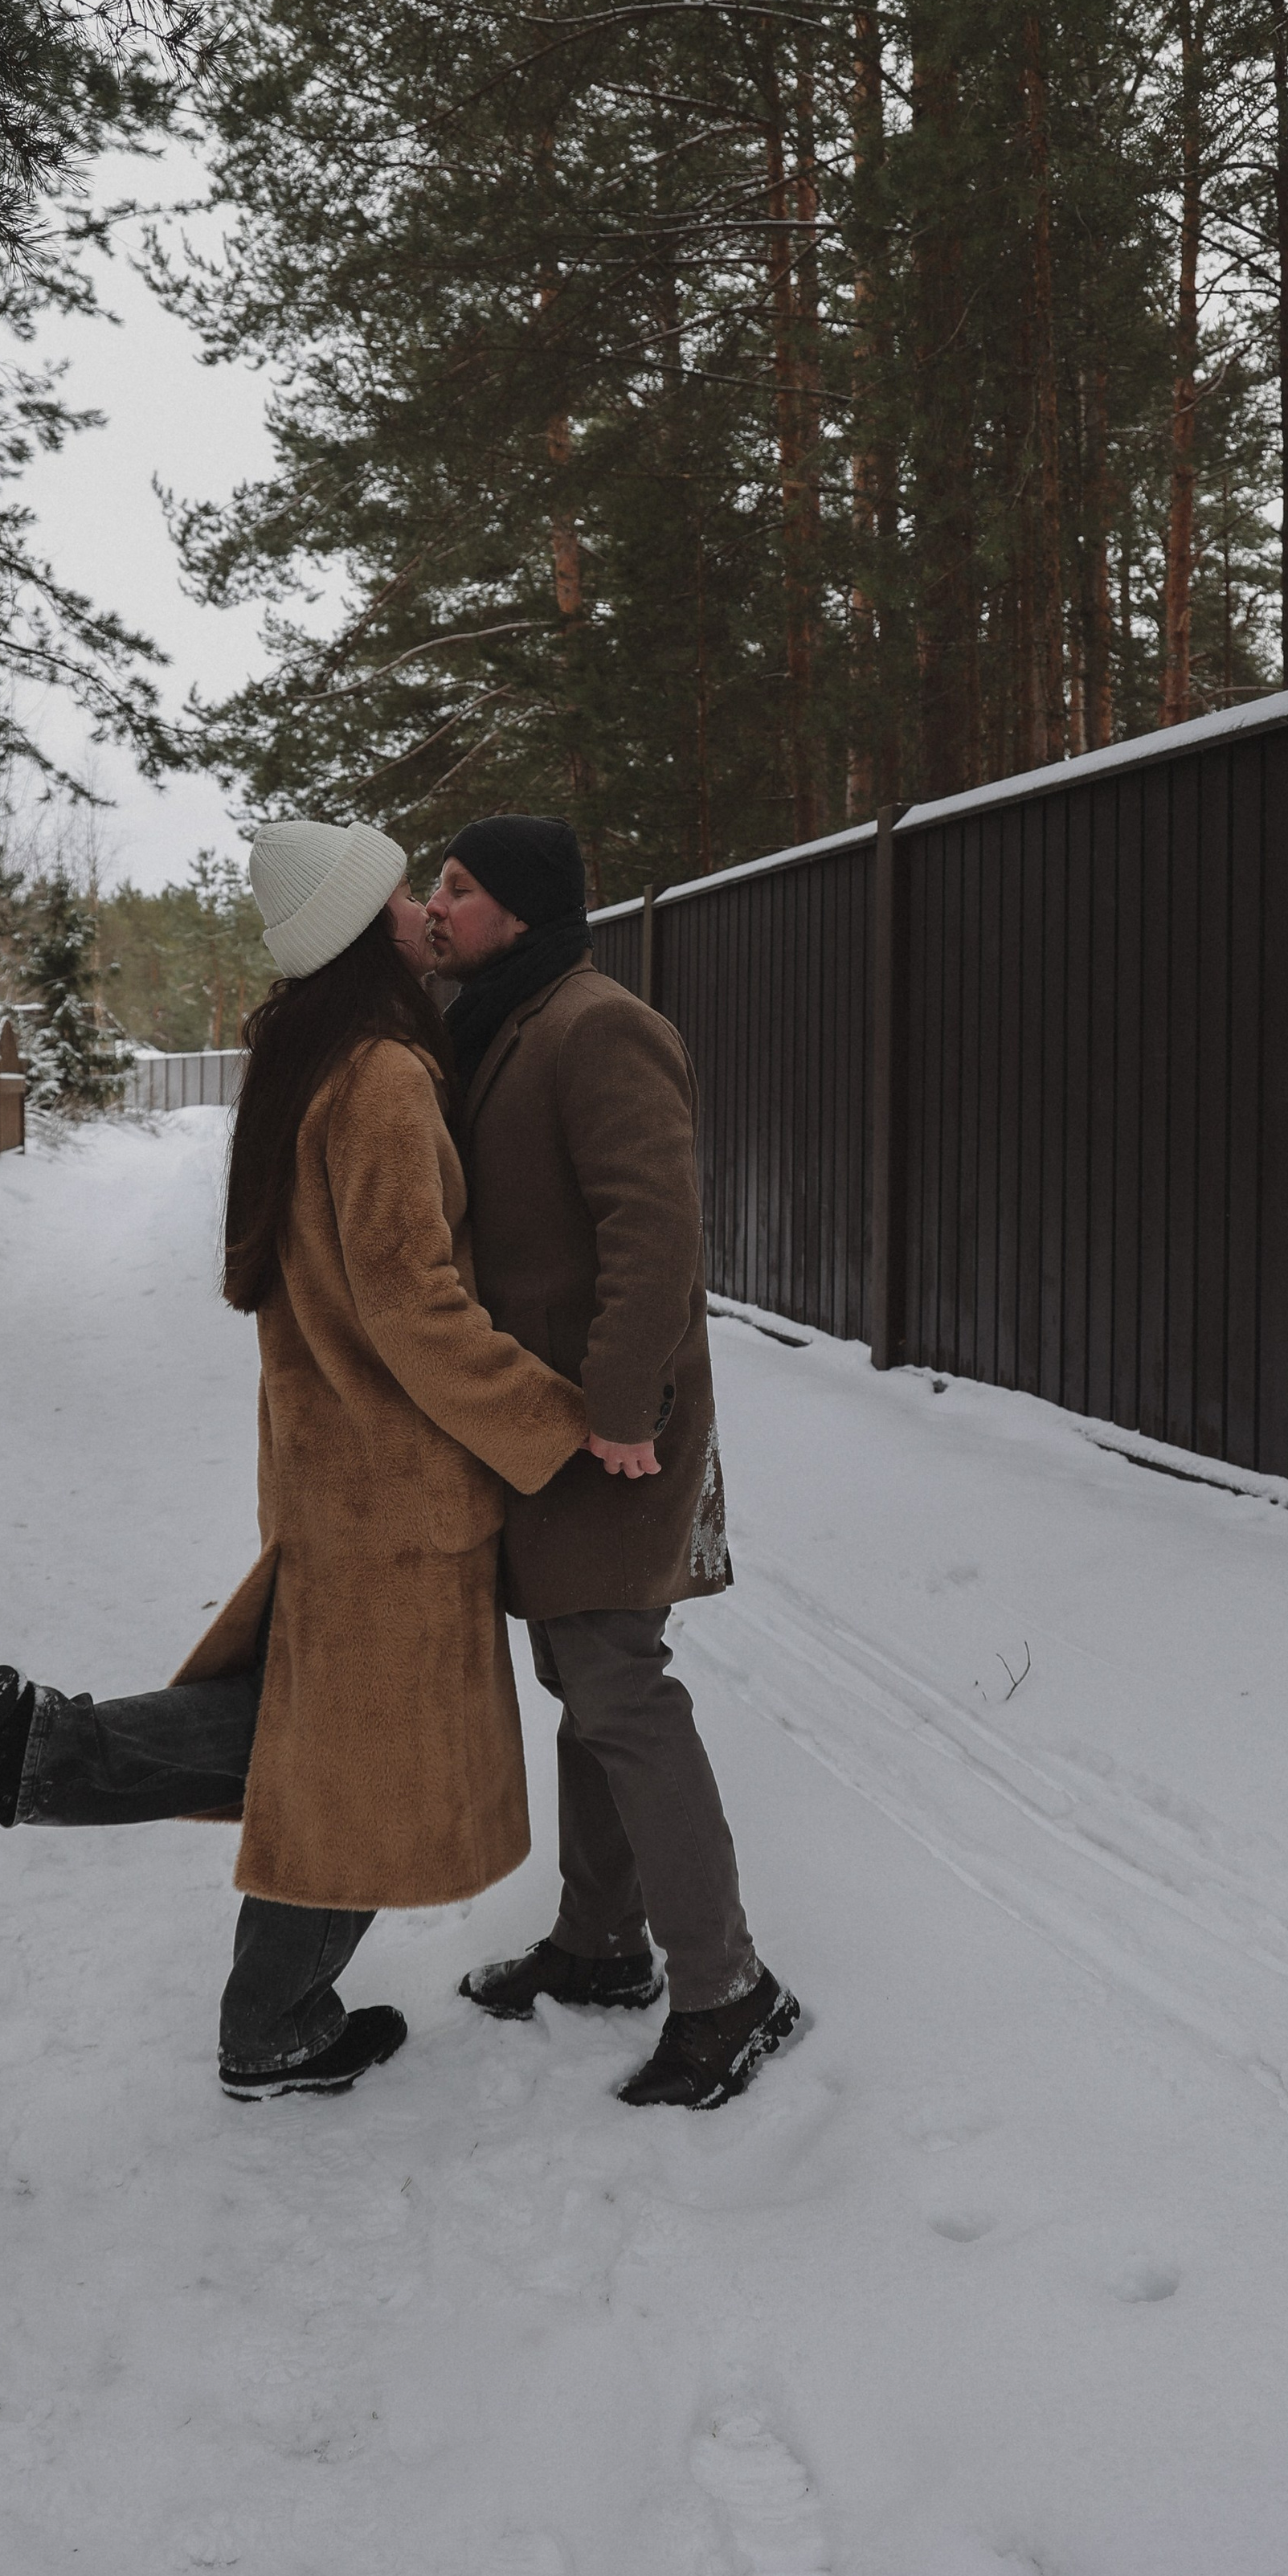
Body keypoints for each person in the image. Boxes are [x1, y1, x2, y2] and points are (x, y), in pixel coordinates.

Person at [0, 820, 587, 2102]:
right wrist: (552, 1424)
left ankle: (49, 1767)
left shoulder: (311, 1056)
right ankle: (261, 2015)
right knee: (369, 1759)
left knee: (320, 1733)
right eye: (410, 892)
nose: (429, 909)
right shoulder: (376, 1075)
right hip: (397, 1481)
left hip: (334, 1469)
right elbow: (412, 1302)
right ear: (370, 923)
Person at [427, 814, 798, 2112]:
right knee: (582, 1673)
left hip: (611, 1425)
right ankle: (599, 1947)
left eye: (458, 890)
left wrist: (626, 1409)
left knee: (617, 1684)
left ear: (519, 912)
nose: (436, 907)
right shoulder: (503, 1021)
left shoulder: (597, 1026)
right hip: (550, 1419)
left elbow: (657, 1232)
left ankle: (731, 1990)